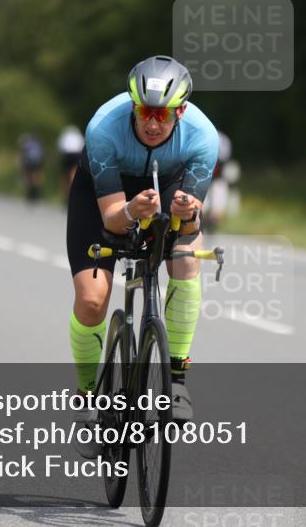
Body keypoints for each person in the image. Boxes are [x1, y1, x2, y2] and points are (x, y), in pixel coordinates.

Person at [66, 55, 218, 452]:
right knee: (92, 299)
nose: (153, 123)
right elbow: (114, 221)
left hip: (167, 182)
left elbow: (189, 226)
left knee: (185, 260)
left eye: (164, 115)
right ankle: (86, 397)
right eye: (145, 112)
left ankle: (177, 381)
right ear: (133, 106)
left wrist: (187, 215)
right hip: (105, 196)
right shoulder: (103, 128)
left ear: (181, 111)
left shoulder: (203, 137)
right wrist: (133, 210)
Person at [56, 124, 85, 200]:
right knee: (73, 174)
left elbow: (60, 148)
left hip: (67, 154)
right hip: (77, 154)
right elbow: (82, 146)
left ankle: (65, 195)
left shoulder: (65, 134)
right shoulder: (78, 134)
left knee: (65, 176)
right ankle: (74, 192)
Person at [18, 132, 45, 201]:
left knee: (28, 176)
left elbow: (23, 152)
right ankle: (36, 192)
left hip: (29, 162)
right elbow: (42, 154)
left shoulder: (27, 143)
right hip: (37, 162)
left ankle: (30, 192)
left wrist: (22, 162)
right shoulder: (38, 143)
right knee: (36, 176)